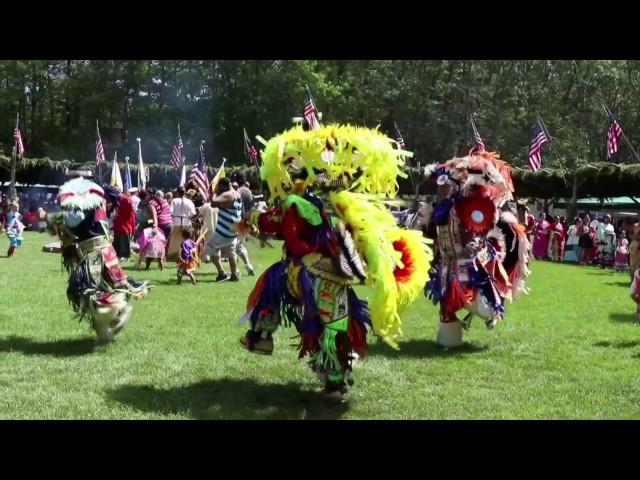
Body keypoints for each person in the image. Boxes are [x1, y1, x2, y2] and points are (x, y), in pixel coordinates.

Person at [240, 124, 430, 400]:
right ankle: (335, 378)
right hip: (336, 271)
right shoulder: (338, 201)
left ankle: (262, 336)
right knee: (333, 324)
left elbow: (289, 236)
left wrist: (258, 219)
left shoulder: (297, 202)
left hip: (306, 270)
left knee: (271, 282)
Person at [50, 173, 149, 342]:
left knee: (84, 291)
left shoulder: (84, 201)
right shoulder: (97, 198)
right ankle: (107, 327)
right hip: (105, 250)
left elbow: (74, 222)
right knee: (96, 290)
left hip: (93, 253)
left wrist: (53, 219)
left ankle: (118, 307)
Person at [206, 177, 243, 282]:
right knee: (231, 253)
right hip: (234, 229)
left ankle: (221, 273)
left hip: (224, 229)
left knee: (211, 248)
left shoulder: (228, 194)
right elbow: (227, 206)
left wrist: (215, 192)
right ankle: (234, 275)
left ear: (224, 186)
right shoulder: (237, 194)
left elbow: (213, 202)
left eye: (220, 187)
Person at [167, 186, 196, 261]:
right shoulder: (189, 201)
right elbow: (193, 213)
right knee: (186, 239)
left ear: (177, 192)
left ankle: (173, 255)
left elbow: (170, 211)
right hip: (187, 222)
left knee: (174, 240)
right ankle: (187, 253)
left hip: (176, 221)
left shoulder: (174, 201)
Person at [235, 177, 256, 276]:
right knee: (240, 246)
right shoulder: (249, 192)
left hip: (237, 220)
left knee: (232, 246)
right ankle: (248, 265)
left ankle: (235, 270)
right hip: (246, 221)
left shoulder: (237, 192)